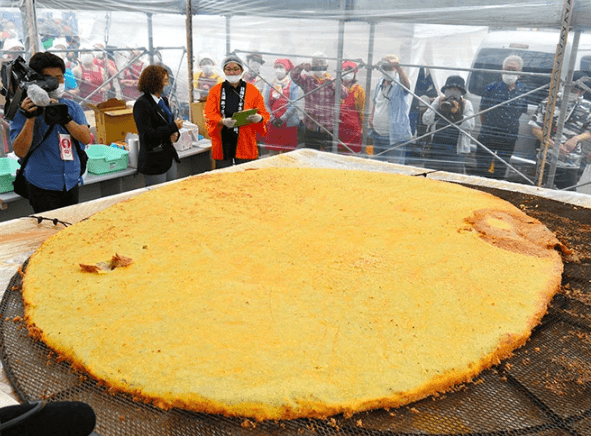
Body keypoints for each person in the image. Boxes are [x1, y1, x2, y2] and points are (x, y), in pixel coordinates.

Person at [10, 52, 91, 213]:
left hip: (71, 180)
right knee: (49, 230)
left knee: (71, 228)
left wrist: (64, 117)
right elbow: (20, 151)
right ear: (37, 81)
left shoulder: (72, 107)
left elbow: (85, 138)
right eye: (50, 78)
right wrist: (30, 117)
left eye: (60, 78)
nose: (57, 83)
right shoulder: (23, 110)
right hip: (41, 183)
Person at [204, 55, 269, 168]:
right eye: (228, 69)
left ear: (242, 70)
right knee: (224, 175)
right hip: (223, 140)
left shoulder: (253, 90)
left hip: (245, 140)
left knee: (246, 175)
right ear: (223, 71)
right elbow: (208, 114)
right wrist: (222, 121)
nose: (232, 72)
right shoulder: (215, 91)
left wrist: (259, 118)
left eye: (235, 69)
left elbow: (264, 113)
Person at [529, 73, 591, 190]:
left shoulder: (588, 107)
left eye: (576, 91)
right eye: (570, 89)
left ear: (583, 92)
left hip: (570, 162)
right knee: (538, 192)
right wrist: (553, 144)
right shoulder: (548, 102)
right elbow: (536, 129)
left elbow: (591, 131)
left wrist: (576, 139)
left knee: (566, 197)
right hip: (546, 159)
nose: (572, 93)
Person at [475, 54, 529, 179]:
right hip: (488, 133)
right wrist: (490, 126)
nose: (510, 73)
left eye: (514, 70)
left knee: (501, 167)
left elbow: (520, 111)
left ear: (519, 73)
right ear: (502, 69)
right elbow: (482, 110)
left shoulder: (523, 90)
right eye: (507, 69)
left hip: (509, 136)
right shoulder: (491, 87)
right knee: (482, 166)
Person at [133, 65, 184, 187]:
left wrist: (176, 134)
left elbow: (168, 125)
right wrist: (173, 127)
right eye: (166, 81)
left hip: (168, 156)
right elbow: (148, 134)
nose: (168, 85)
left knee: (172, 190)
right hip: (154, 160)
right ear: (154, 82)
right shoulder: (142, 104)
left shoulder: (163, 101)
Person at [290, 52, 348, 151]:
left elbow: (344, 94)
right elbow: (294, 76)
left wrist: (331, 82)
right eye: (315, 62)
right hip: (310, 127)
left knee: (328, 157)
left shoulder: (333, 81)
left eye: (321, 62)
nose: (318, 65)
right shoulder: (307, 80)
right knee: (311, 156)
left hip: (328, 128)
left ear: (327, 65)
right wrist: (302, 66)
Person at [422, 75, 475, 174]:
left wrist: (458, 115)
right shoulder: (439, 100)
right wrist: (438, 109)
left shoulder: (466, 104)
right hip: (435, 150)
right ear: (445, 90)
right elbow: (425, 120)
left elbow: (471, 125)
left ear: (461, 92)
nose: (452, 93)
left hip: (455, 152)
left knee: (454, 180)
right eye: (449, 89)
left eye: (456, 90)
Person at [368, 54, 412, 164]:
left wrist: (398, 68)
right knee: (377, 166)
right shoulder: (380, 82)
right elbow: (376, 101)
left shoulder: (400, 83)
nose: (387, 70)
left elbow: (407, 87)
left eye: (390, 67)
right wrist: (371, 116)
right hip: (378, 134)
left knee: (395, 168)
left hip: (394, 138)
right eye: (385, 67)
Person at [261, 58, 301, 154]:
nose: (278, 69)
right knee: (273, 153)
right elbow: (265, 103)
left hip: (288, 124)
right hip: (273, 123)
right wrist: (272, 118)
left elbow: (294, 104)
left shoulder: (293, 85)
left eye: (281, 67)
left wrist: (282, 119)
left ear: (287, 69)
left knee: (288, 154)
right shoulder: (269, 85)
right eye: (276, 67)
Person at [338, 60, 365, 153]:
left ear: (354, 74)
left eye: (350, 71)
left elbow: (362, 111)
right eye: (345, 70)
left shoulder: (358, 90)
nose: (347, 73)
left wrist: (362, 129)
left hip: (353, 133)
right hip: (337, 131)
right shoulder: (335, 87)